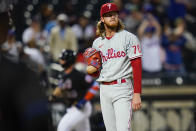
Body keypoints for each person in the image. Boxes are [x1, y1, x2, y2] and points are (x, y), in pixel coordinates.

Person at [90, 3, 142, 131]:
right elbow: (97, 70)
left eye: (114, 14)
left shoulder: (129, 38)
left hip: (122, 88)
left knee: (123, 129)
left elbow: (137, 66)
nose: (112, 17)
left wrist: (137, 93)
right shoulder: (97, 43)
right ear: (102, 19)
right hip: (104, 89)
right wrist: (92, 69)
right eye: (108, 15)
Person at [49, 49, 99, 131]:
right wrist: (52, 97)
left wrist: (84, 100)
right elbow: (59, 88)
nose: (60, 61)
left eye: (62, 59)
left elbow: (95, 85)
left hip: (81, 107)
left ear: (68, 60)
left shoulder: (78, 75)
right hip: (72, 107)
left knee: (62, 128)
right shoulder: (63, 75)